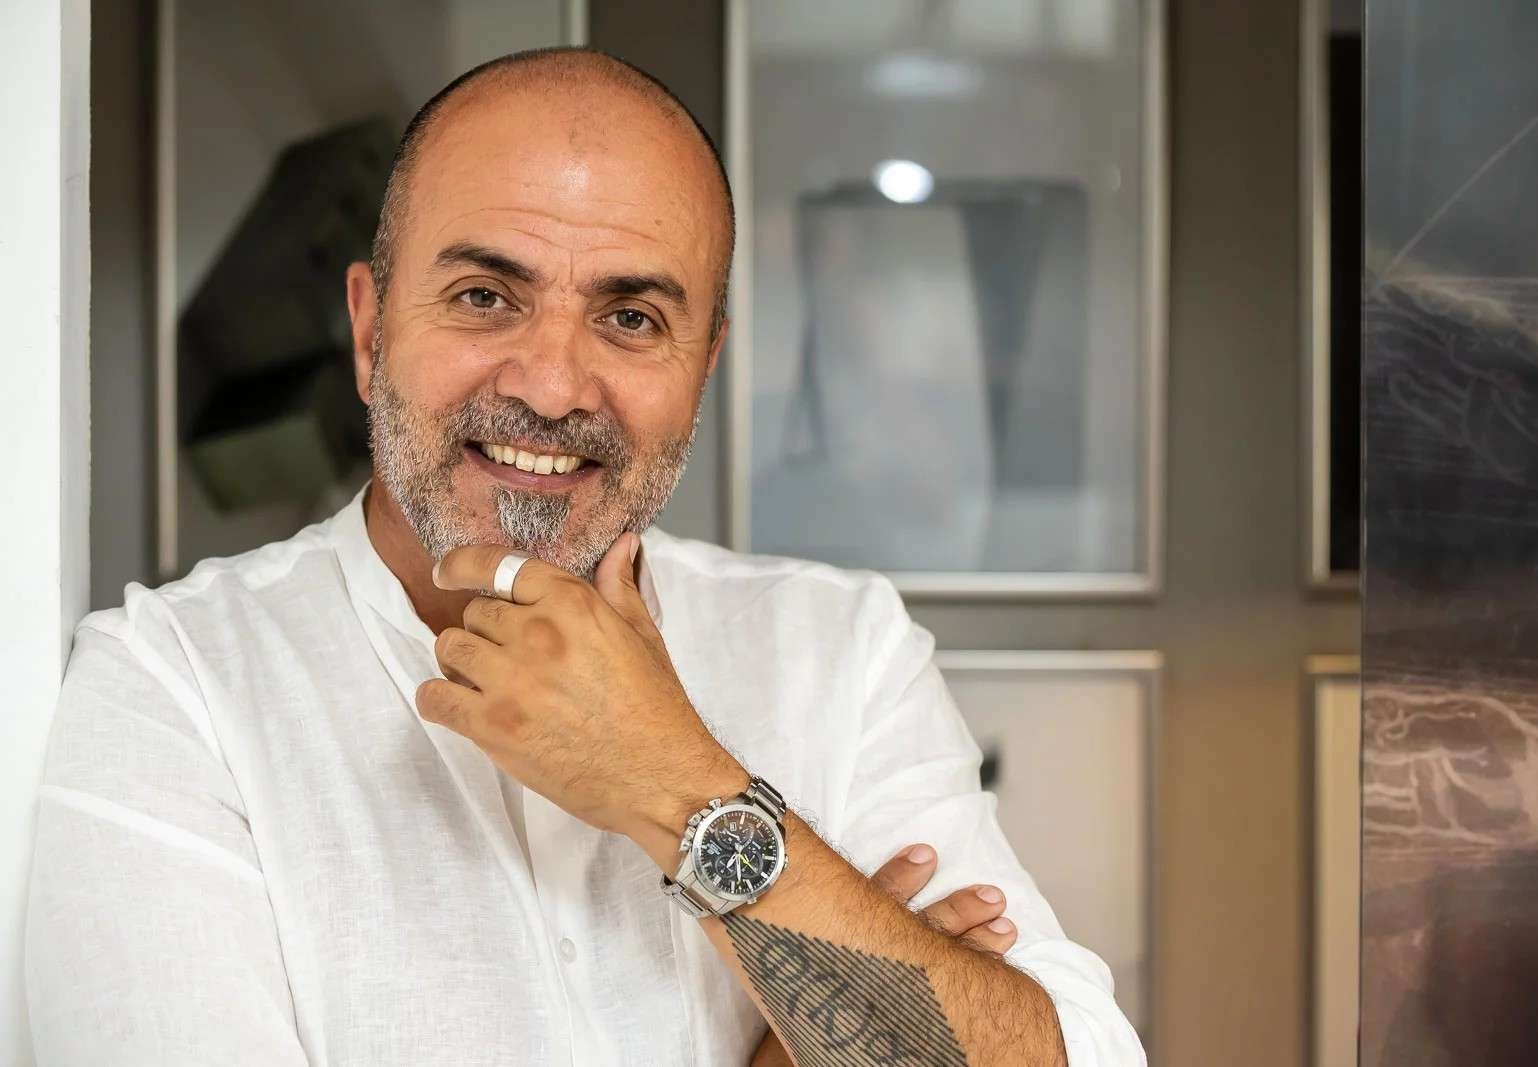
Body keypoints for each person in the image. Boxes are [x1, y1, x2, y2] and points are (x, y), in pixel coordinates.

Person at [24, 47, 1144, 1066]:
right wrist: (823, 996)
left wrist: (677, 784)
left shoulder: (844, 651)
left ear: (703, 368)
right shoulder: (173, 687)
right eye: (483, 297)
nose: (553, 386)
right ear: (370, 334)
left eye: (632, 318)